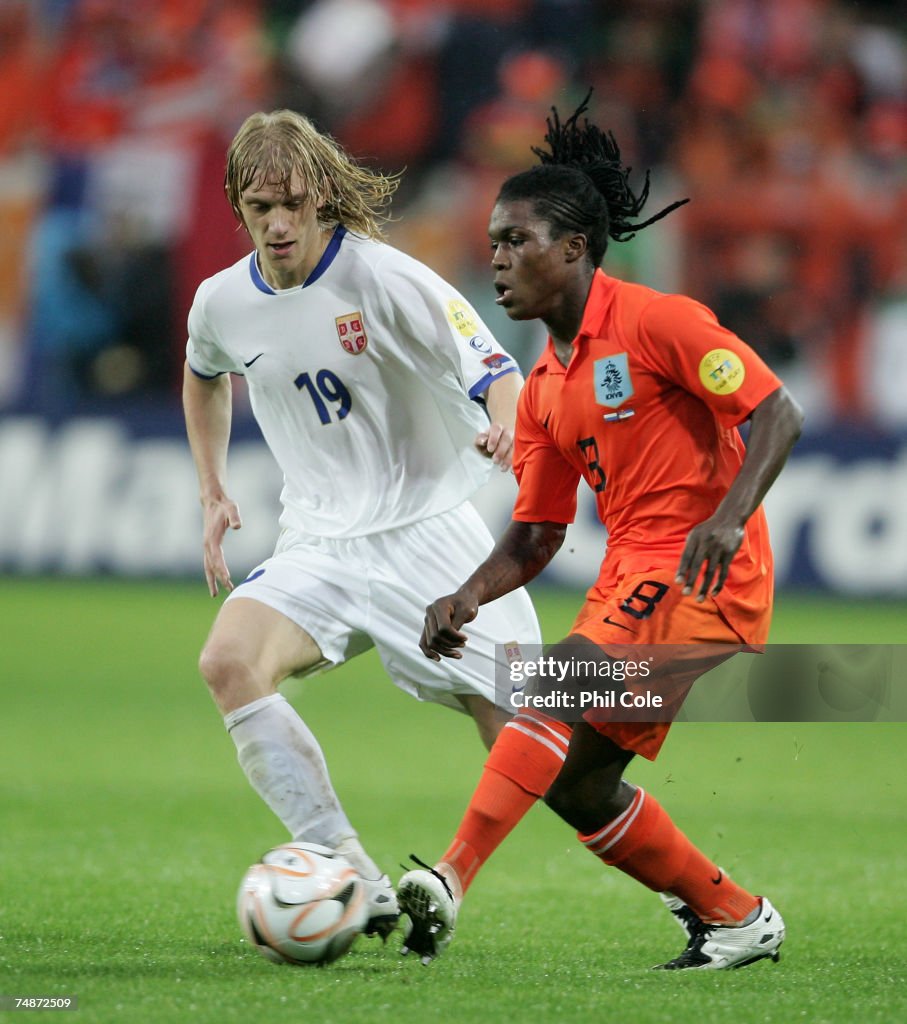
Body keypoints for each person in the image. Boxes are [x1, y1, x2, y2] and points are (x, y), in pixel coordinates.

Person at [400, 93, 804, 969]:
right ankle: (735, 918)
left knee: (553, 685)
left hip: (702, 576)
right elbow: (537, 534)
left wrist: (729, 519)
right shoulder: (543, 385)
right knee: (577, 784)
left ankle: (449, 878)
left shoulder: (660, 322)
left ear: (574, 248)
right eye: (494, 242)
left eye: (516, 241)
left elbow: (777, 411)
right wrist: (465, 595)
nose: (496, 259)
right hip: (629, 579)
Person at [182, 109, 542, 939]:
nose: (276, 223)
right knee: (228, 662)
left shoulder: (385, 279)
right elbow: (202, 376)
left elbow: (494, 367)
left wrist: (505, 422)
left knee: (540, 741)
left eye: (292, 203)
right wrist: (212, 487)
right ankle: (354, 877)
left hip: (430, 535)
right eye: (258, 205)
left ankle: (701, 896)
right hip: (320, 540)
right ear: (238, 204)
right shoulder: (221, 301)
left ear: (322, 198)